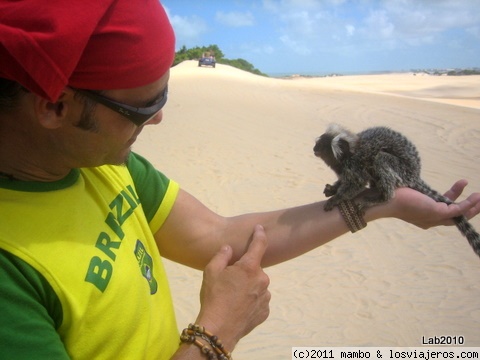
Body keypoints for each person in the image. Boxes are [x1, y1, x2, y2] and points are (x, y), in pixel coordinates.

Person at [0, 1, 479, 359]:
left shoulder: (101, 164)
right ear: (55, 106)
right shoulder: (9, 276)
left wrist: (383, 204)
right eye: (142, 107)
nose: (160, 118)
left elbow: (217, 236)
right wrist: (214, 335)